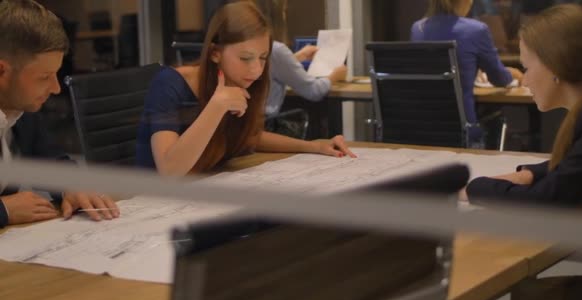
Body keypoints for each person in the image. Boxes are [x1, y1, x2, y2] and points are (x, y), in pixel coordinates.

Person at [136, 2, 355, 177]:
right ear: (215, 53)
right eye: (245, 58)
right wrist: (216, 107)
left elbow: (249, 138)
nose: (256, 69)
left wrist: (313, 146)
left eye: (262, 58)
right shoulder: (169, 84)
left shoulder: (242, 81)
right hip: (152, 203)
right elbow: (170, 171)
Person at [464, 4, 582, 205]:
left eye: (527, 68)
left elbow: (547, 199)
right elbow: (581, 163)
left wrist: (474, 188)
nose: (525, 80)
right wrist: (530, 173)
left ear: (555, 64)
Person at [0, 0, 119, 228]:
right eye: (44, 77)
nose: (55, 88)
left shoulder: (21, 112)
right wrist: (4, 210)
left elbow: (53, 160)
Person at [411, 0, 523, 146]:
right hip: (462, 134)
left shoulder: (418, 29)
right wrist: (512, 73)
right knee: (495, 120)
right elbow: (499, 79)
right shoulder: (476, 30)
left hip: (421, 131)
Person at [256, 0, 347, 126]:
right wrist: (334, 76)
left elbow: (273, 67)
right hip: (265, 126)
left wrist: (297, 57)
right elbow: (313, 91)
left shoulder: (260, 47)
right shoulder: (276, 49)